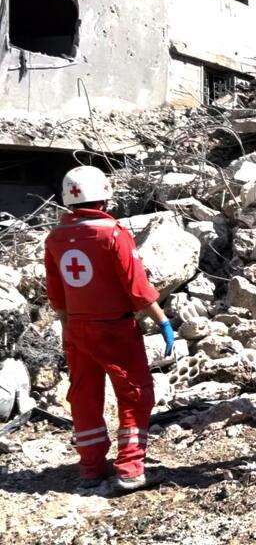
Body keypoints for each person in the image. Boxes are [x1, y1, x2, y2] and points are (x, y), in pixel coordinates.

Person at [44, 165, 174, 491]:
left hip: (77, 328)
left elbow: (56, 294)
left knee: (84, 397)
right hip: (115, 330)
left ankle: (90, 468)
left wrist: (67, 330)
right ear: (103, 196)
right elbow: (138, 288)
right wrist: (163, 321)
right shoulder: (112, 234)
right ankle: (130, 468)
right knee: (135, 394)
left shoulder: (56, 238)